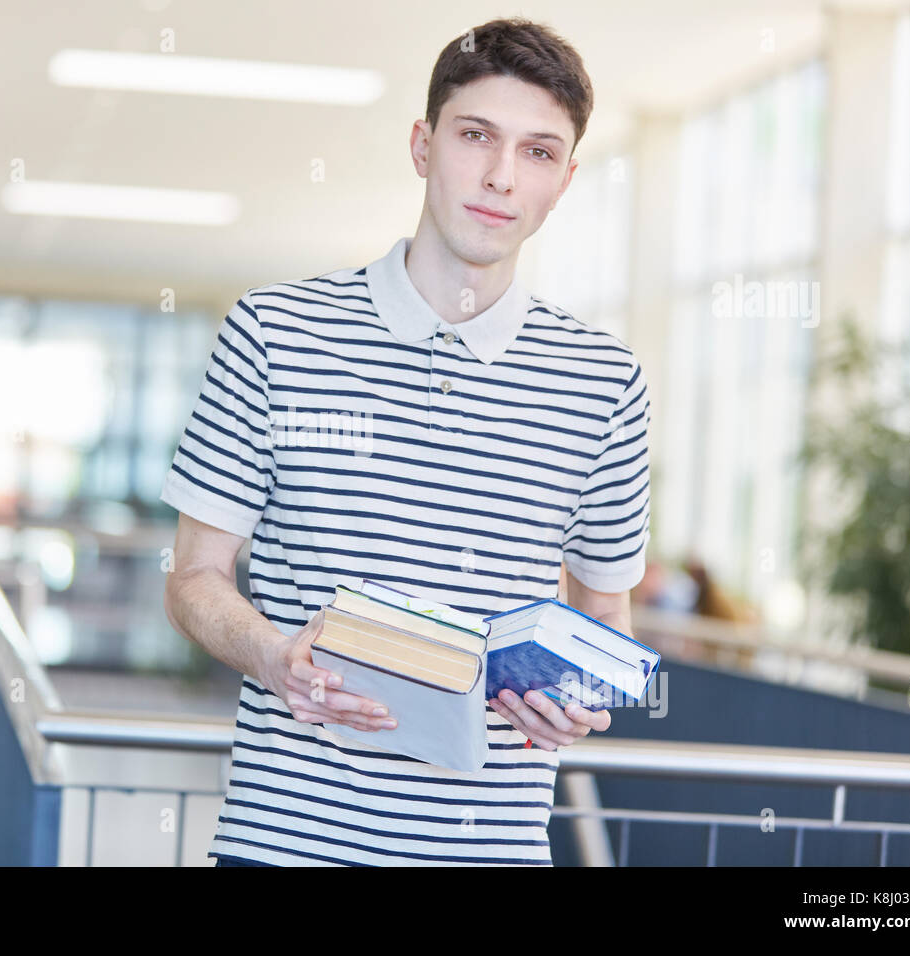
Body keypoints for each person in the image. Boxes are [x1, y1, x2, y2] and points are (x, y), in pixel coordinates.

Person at [162, 17, 651, 866]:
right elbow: (194, 578)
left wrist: (567, 698)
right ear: (424, 146)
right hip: (284, 843)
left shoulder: (605, 381)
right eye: (476, 136)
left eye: (538, 152)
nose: (501, 176)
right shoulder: (276, 333)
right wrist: (275, 659)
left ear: (565, 181)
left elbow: (603, 613)